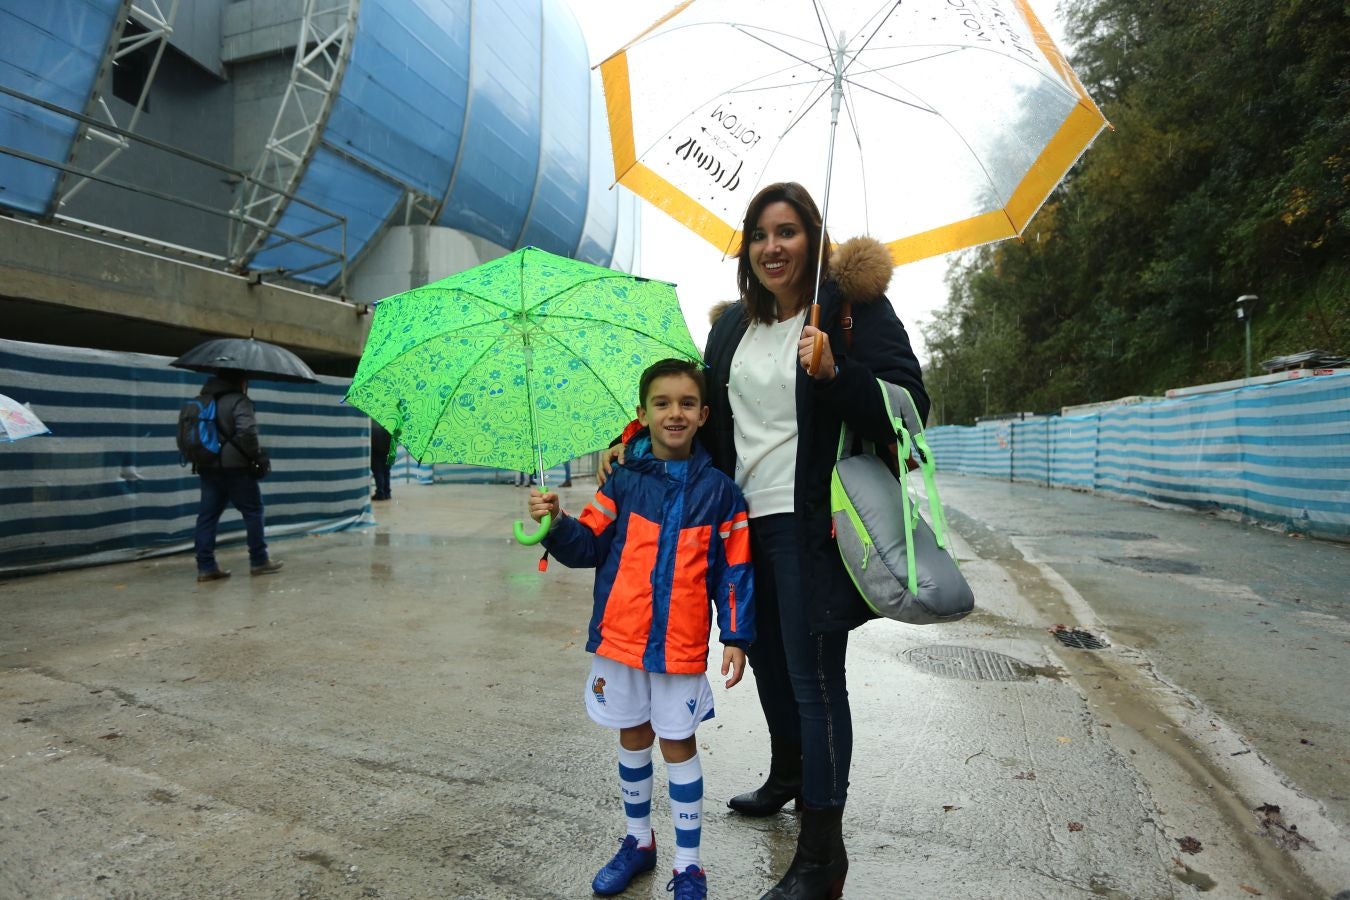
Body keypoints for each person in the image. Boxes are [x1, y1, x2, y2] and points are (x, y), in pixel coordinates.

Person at [602, 183, 928, 899]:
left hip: (813, 526)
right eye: (758, 234)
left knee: (814, 683)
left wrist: (836, 372)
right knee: (772, 668)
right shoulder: (732, 329)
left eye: (787, 231)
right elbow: (700, 416)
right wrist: (636, 445)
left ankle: (822, 855)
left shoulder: (849, 312)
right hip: (742, 529)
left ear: (813, 238)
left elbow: (910, 406)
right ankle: (787, 773)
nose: (772, 246)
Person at [527, 358, 755, 900]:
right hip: (621, 639)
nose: (674, 413)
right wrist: (554, 523)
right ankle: (638, 841)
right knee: (632, 736)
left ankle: (690, 865)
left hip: (679, 644)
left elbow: (735, 570)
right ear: (642, 414)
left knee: (678, 742)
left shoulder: (722, 493)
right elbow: (587, 547)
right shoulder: (622, 482)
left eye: (686, 403)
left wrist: (737, 635)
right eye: (662, 403)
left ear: (703, 415)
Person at [193, 369, 284, 582]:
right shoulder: (239, 401)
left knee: (207, 516)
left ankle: (205, 567)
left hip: (207, 465)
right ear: (240, 381)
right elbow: (247, 432)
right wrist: (254, 456)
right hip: (236, 468)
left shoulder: (203, 400)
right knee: (253, 510)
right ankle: (259, 560)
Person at [370, 420, 392, 501]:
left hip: (376, 451)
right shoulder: (390, 421)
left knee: (378, 472)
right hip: (388, 450)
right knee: (386, 472)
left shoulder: (373, 421)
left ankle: (380, 493)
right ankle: (387, 493)